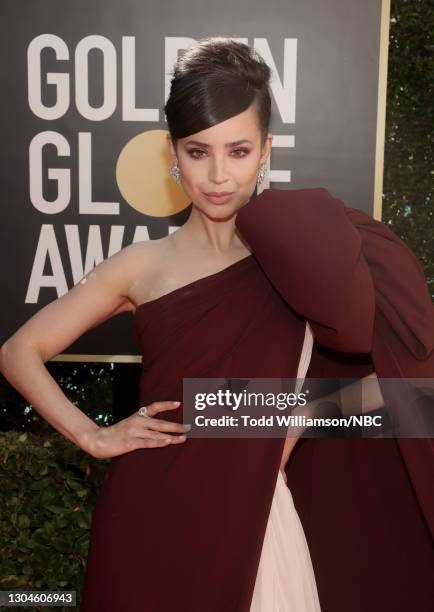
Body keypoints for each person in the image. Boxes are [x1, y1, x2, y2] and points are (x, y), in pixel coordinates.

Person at [0, 37, 433, 612]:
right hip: (148, 513)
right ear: (172, 155)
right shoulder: (142, 264)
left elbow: (396, 390)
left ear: (266, 150)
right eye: (198, 152)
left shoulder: (303, 257)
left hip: (257, 512)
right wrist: (94, 436)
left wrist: (286, 421)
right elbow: (19, 350)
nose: (218, 175)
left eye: (238, 150)